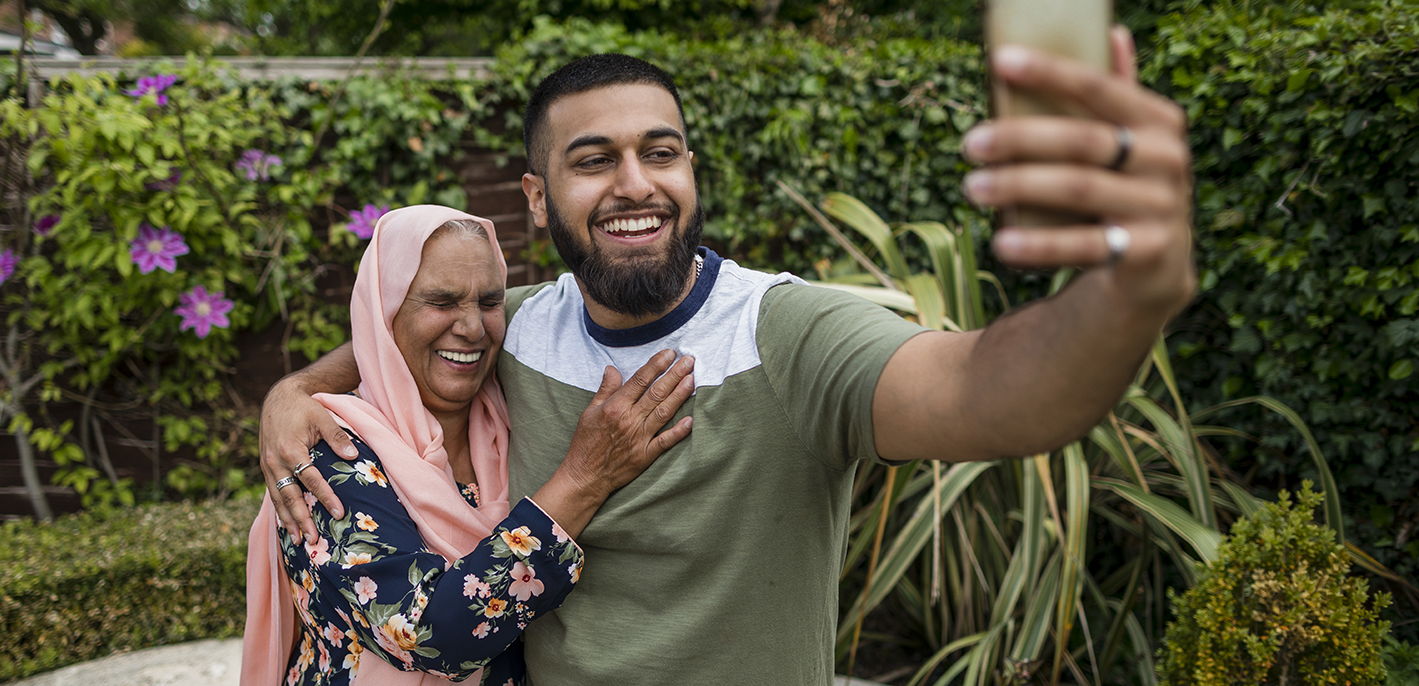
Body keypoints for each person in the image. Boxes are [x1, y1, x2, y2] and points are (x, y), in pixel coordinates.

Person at [259, 33, 1196, 685]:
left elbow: (991, 391)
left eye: (659, 152)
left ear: (691, 171)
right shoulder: (519, 327)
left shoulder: (784, 334)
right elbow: (406, 333)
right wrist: (293, 389)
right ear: (538, 201)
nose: (635, 184)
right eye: (595, 160)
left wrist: (1122, 295)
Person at [240, 205, 695, 686]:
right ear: (384, 314)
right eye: (441, 301)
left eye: (489, 301)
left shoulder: (508, 411)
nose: (473, 328)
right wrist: (585, 478)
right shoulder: (329, 454)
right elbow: (432, 635)